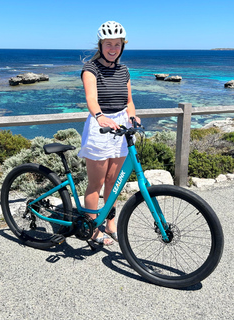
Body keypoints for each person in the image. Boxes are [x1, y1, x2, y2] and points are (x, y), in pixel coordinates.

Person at [78, 21, 140, 246]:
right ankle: (92, 227)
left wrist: (132, 116)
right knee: (96, 183)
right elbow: (91, 98)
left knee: (114, 182)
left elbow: (129, 101)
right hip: (100, 126)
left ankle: (110, 222)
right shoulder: (90, 68)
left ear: (122, 46)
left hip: (121, 126)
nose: (112, 48)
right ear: (101, 45)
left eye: (117, 44)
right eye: (108, 44)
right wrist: (99, 116)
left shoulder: (124, 70)